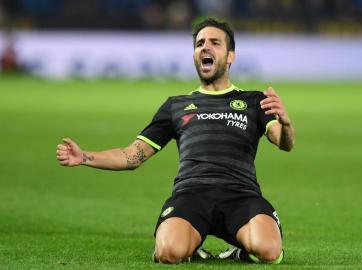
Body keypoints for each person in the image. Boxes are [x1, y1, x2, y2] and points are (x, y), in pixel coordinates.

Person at [56, 18, 295, 264]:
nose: (205, 48)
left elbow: (284, 142)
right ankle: (190, 248)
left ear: (230, 56)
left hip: (241, 194)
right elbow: (133, 155)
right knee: (169, 253)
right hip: (192, 195)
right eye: (200, 43)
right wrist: (84, 156)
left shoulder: (254, 101)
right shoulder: (176, 106)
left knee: (268, 251)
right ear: (194, 55)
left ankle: (240, 251)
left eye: (214, 43)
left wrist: (286, 124)